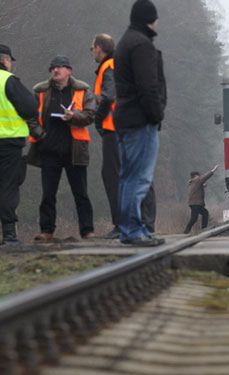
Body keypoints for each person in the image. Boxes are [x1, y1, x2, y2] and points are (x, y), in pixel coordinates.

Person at [91, 33, 156, 240]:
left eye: (92, 48)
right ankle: (145, 222)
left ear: (99, 48)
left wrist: (98, 119)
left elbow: (109, 96)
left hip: (115, 127)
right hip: (133, 125)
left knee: (113, 175)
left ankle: (122, 223)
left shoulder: (109, 66)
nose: (92, 51)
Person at [114, 0, 166, 246]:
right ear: (149, 19)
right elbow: (148, 86)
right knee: (140, 178)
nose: (158, 23)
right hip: (140, 120)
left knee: (128, 176)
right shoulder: (141, 45)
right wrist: (156, 115)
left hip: (125, 118)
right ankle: (134, 230)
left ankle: (128, 229)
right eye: (155, 18)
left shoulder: (125, 41)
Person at [28, 56, 95, 241]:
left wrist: (73, 116)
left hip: (74, 150)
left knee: (80, 193)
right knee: (48, 194)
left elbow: (90, 115)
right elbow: (31, 116)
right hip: (48, 150)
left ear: (69, 71)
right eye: (52, 68)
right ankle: (46, 231)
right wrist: (40, 134)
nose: (55, 70)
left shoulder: (82, 90)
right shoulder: (40, 91)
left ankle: (88, 231)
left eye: (59, 67)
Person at [0, 45, 37, 245]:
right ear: (5, 60)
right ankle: (9, 235)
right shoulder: (8, 80)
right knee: (7, 186)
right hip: (8, 144)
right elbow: (30, 107)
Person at [184, 165, 217, 234]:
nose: (199, 176)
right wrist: (213, 170)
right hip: (196, 203)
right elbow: (205, 177)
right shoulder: (196, 180)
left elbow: (197, 186)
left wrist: (203, 185)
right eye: (198, 175)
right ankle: (187, 231)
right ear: (195, 176)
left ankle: (203, 229)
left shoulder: (193, 181)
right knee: (194, 218)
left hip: (194, 203)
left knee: (204, 213)